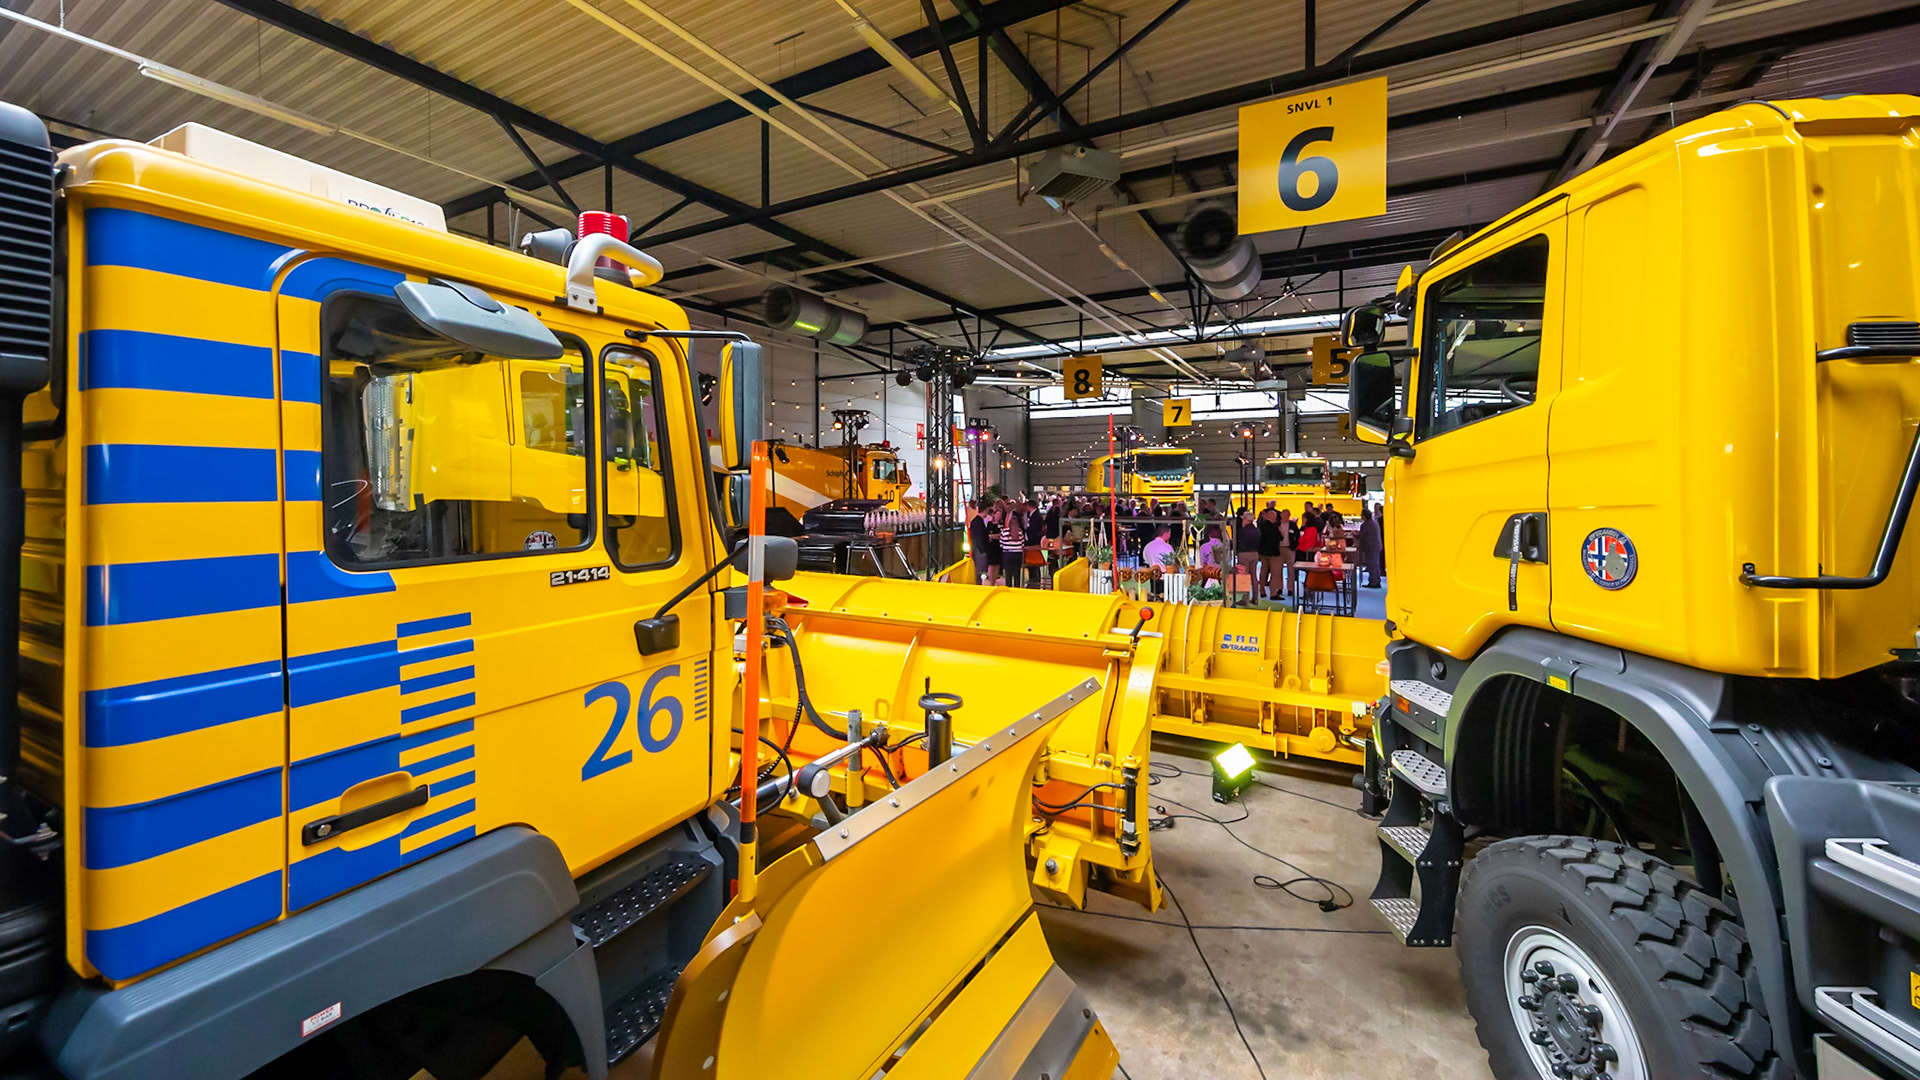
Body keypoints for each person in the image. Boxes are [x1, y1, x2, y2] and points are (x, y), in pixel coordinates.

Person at [1256, 508, 1283, 601]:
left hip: (1263, 552)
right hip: (1273, 553)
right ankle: (1273, 593)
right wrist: (1280, 531)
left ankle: (1262, 591)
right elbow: (1280, 538)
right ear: (1274, 517)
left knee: (1263, 571)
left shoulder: (1260, 526)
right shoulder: (1274, 527)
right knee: (1274, 573)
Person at [1000, 502, 1028, 588]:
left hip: (1007, 553)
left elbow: (1001, 544)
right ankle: (1017, 588)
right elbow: (1022, 543)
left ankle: (1008, 587)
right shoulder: (1020, 532)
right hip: (1017, 554)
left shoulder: (1004, 532)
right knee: (1017, 574)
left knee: (1008, 573)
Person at [1235, 511, 1261, 601]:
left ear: (1245, 519)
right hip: (1255, 554)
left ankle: (1244, 599)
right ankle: (1255, 598)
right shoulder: (1257, 531)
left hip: (1244, 554)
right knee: (1254, 576)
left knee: (1244, 576)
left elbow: (1237, 541)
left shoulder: (1242, 531)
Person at [1358, 505, 1384, 588]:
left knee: (1372, 565)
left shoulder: (1365, 525)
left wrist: (1355, 534)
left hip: (1370, 547)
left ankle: (1374, 582)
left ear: (1364, 516)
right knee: (1375, 564)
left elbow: (1362, 536)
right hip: (1376, 546)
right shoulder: (1374, 523)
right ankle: (1376, 580)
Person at [967, 500, 992, 585]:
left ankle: (979, 582)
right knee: (980, 569)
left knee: (979, 568)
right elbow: (979, 537)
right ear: (985, 510)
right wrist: (983, 550)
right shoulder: (978, 522)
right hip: (980, 549)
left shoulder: (976, 521)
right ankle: (978, 583)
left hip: (977, 547)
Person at [1274, 509, 1296, 600]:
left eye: (1287, 515)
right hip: (1279, 549)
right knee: (1278, 569)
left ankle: (1290, 588)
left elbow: (1297, 536)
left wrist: (1293, 547)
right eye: (1283, 515)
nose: (1285, 516)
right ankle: (1279, 588)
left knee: (1291, 570)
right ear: (1281, 515)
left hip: (1289, 549)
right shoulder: (1276, 525)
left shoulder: (1293, 525)